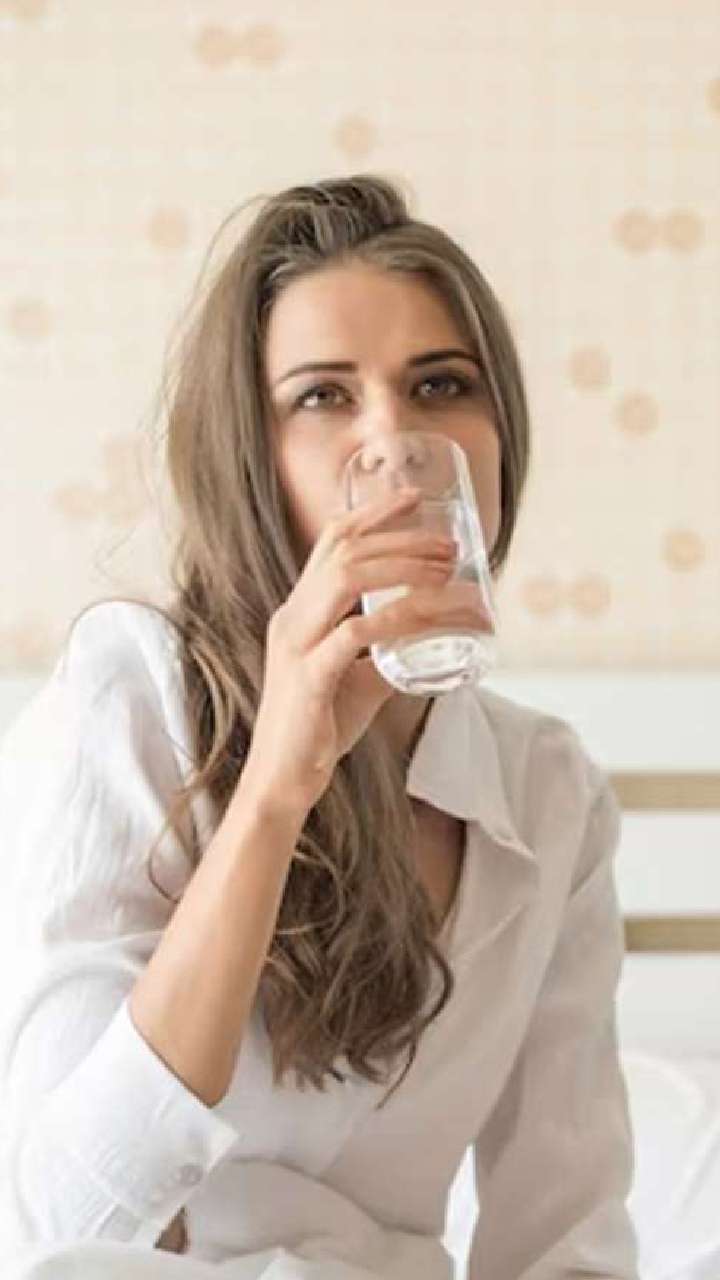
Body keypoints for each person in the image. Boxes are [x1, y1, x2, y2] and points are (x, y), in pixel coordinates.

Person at [0, 175, 640, 1279]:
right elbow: (62, 1220)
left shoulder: (548, 790)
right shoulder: (134, 692)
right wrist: (274, 789)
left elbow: (565, 1234)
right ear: (255, 460)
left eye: (439, 385)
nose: (394, 442)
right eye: (322, 397)